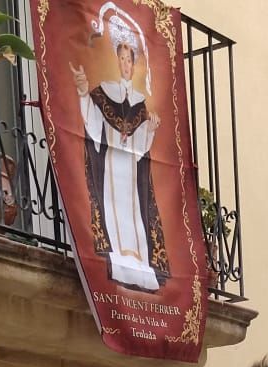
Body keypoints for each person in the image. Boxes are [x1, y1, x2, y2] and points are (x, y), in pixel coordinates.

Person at [70, 5, 168, 293]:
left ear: (134, 64)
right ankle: (118, 259)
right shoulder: (103, 91)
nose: (125, 64)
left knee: (135, 213)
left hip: (131, 170)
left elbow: (142, 146)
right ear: (116, 60)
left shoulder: (140, 101)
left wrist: (149, 128)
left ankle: (140, 267)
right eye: (122, 58)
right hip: (112, 164)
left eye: (129, 60)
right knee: (114, 211)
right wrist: (83, 92)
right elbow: (94, 128)